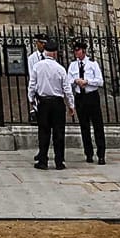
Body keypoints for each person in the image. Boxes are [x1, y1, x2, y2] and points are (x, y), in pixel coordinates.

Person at [26, 36, 71, 170]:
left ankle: (43, 160)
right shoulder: (60, 68)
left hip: (44, 102)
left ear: (45, 52)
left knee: (44, 132)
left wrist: (31, 99)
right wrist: (71, 105)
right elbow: (67, 89)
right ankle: (59, 161)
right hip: (58, 102)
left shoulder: (38, 67)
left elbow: (32, 85)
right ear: (55, 53)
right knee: (59, 132)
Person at [70, 39, 107, 166]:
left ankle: (101, 154)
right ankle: (88, 153)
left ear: (83, 51)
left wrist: (87, 82)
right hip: (80, 97)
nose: (76, 53)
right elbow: (68, 80)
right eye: (75, 51)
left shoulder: (92, 64)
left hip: (92, 96)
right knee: (84, 127)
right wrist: (75, 81)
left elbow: (100, 81)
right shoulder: (73, 65)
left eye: (78, 50)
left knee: (98, 126)